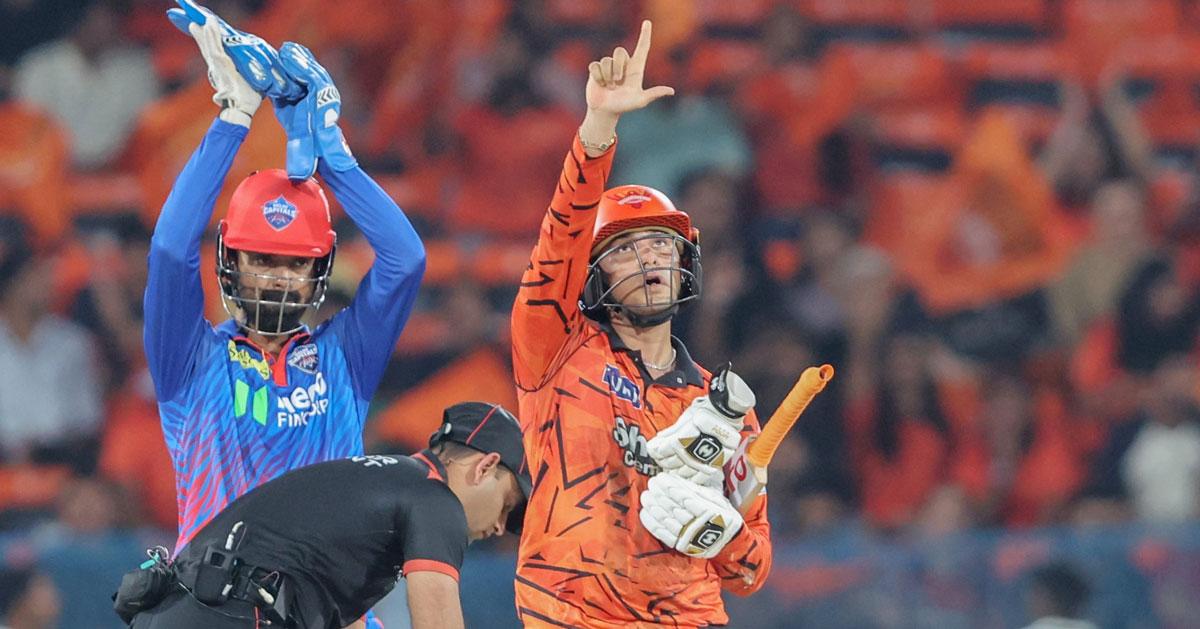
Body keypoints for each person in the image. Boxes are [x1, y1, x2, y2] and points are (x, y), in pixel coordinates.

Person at [510, 21, 773, 628]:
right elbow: (559, 240)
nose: (649, 258)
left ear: (685, 264)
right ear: (592, 274)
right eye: (625, 249)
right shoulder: (553, 349)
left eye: (660, 244)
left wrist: (723, 535)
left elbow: (752, 572)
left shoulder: (725, 406)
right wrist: (598, 128)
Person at [143, 16, 425, 558]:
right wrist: (234, 117)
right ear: (229, 259)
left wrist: (334, 156)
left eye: (296, 264)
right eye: (261, 259)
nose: (275, 278)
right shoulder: (188, 359)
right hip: (214, 597)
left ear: (320, 271)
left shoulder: (346, 358)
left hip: (324, 595)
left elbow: (405, 259)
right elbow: (171, 251)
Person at [121, 402, 531, 629]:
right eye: (508, 506)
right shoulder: (435, 498)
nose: (500, 527)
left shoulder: (380, 483)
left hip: (182, 609)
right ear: (484, 467)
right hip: (229, 614)